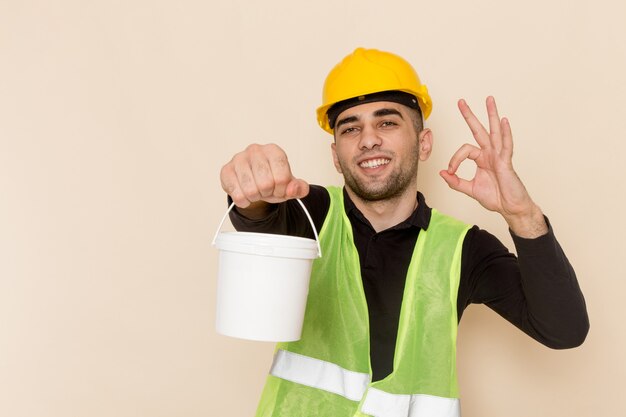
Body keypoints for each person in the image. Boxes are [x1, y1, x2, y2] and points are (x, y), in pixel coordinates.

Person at [219, 47, 589, 417]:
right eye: (350, 128)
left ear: (423, 143)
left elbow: (564, 330)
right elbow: (257, 213)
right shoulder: (309, 213)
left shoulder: (464, 249)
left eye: (387, 123)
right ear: (335, 155)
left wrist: (522, 214)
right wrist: (250, 187)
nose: (368, 140)